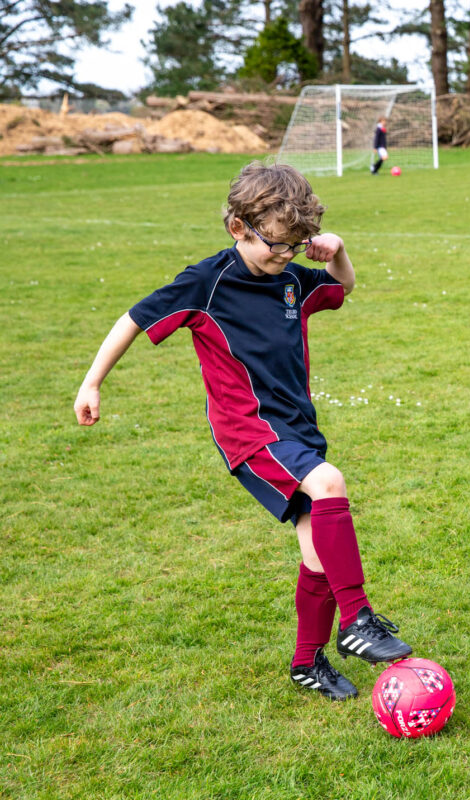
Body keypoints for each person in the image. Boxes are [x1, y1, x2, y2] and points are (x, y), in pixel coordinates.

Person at [73, 162, 412, 702]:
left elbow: (343, 286)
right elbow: (134, 318)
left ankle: (306, 662)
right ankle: (357, 618)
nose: (285, 255)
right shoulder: (206, 282)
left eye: (295, 246)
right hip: (248, 433)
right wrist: (92, 383)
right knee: (329, 483)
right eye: (276, 244)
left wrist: (338, 250)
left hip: (297, 429)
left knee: (318, 551)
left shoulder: (291, 278)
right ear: (238, 228)